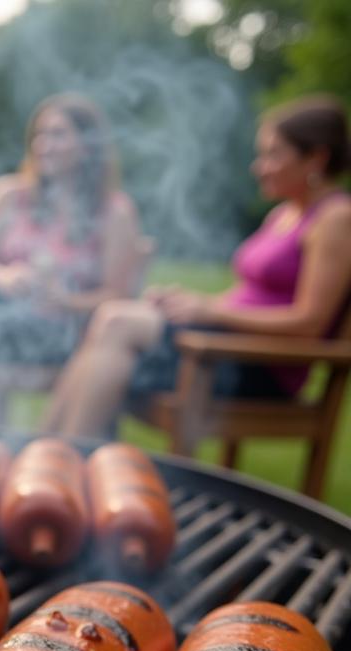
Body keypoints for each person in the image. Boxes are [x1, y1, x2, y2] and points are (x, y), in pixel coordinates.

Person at [43, 95, 351, 439]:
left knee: (116, 323)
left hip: (259, 364)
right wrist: (191, 303)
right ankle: (51, 450)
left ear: (317, 158)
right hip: (224, 347)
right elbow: (254, 295)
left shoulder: (335, 219)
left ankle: (63, 454)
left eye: (273, 154)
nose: (259, 166)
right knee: (111, 324)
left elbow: (310, 323)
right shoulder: (283, 213)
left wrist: (211, 313)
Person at [0, 93, 142, 421]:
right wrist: (5, 277)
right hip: (2, 311)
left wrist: (64, 299)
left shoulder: (114, 211)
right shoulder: (9, 195)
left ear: (88, 145)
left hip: (63, 331)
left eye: (58, 134)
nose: (43, 145)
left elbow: (119, 297)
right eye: (39, 134)